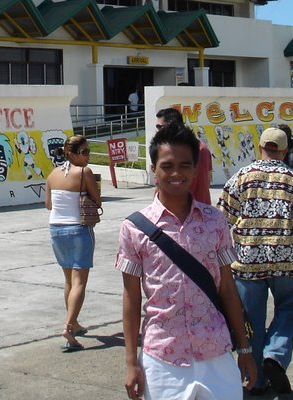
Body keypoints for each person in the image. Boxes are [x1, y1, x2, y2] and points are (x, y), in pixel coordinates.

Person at [118, 123, 256, 400]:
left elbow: (228, 288)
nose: (176, 173)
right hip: (162, 358)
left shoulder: (215, 221)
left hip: (216, 351)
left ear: (195, 170)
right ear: (154, 170)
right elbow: (131, 299)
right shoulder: (133, 228)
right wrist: (131, 362)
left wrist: (244, 350)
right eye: (167, 166)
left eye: (185, 165)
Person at [218, 127, 293, 396]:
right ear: (285, 149)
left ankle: (254, 379)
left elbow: (222, 221)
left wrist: (219, 259)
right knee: (287, 309)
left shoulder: (241, 177)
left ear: (260, 146)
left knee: (251, 321)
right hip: (283, 259)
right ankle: (275, 356)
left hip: (247, 260)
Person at [45, 134, 100, 352]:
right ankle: (68, 327)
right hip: (79, 228)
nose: (87, 156)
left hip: (56, 230)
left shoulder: (52, 174)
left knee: (68, 280)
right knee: (79, 282)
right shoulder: (84, 172)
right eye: (84, 152)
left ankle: (74, 322)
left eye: (88, 151)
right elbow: (97, 199)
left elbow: (49, 205)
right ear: (70, 154)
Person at [156, 107, 212, 204]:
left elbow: (160, 184)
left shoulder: (168, 151)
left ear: (172, 125)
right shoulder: (203, 149)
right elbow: (208, 178)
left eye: (160, 127)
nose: (158, 131)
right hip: (203, 209)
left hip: (176, 210)